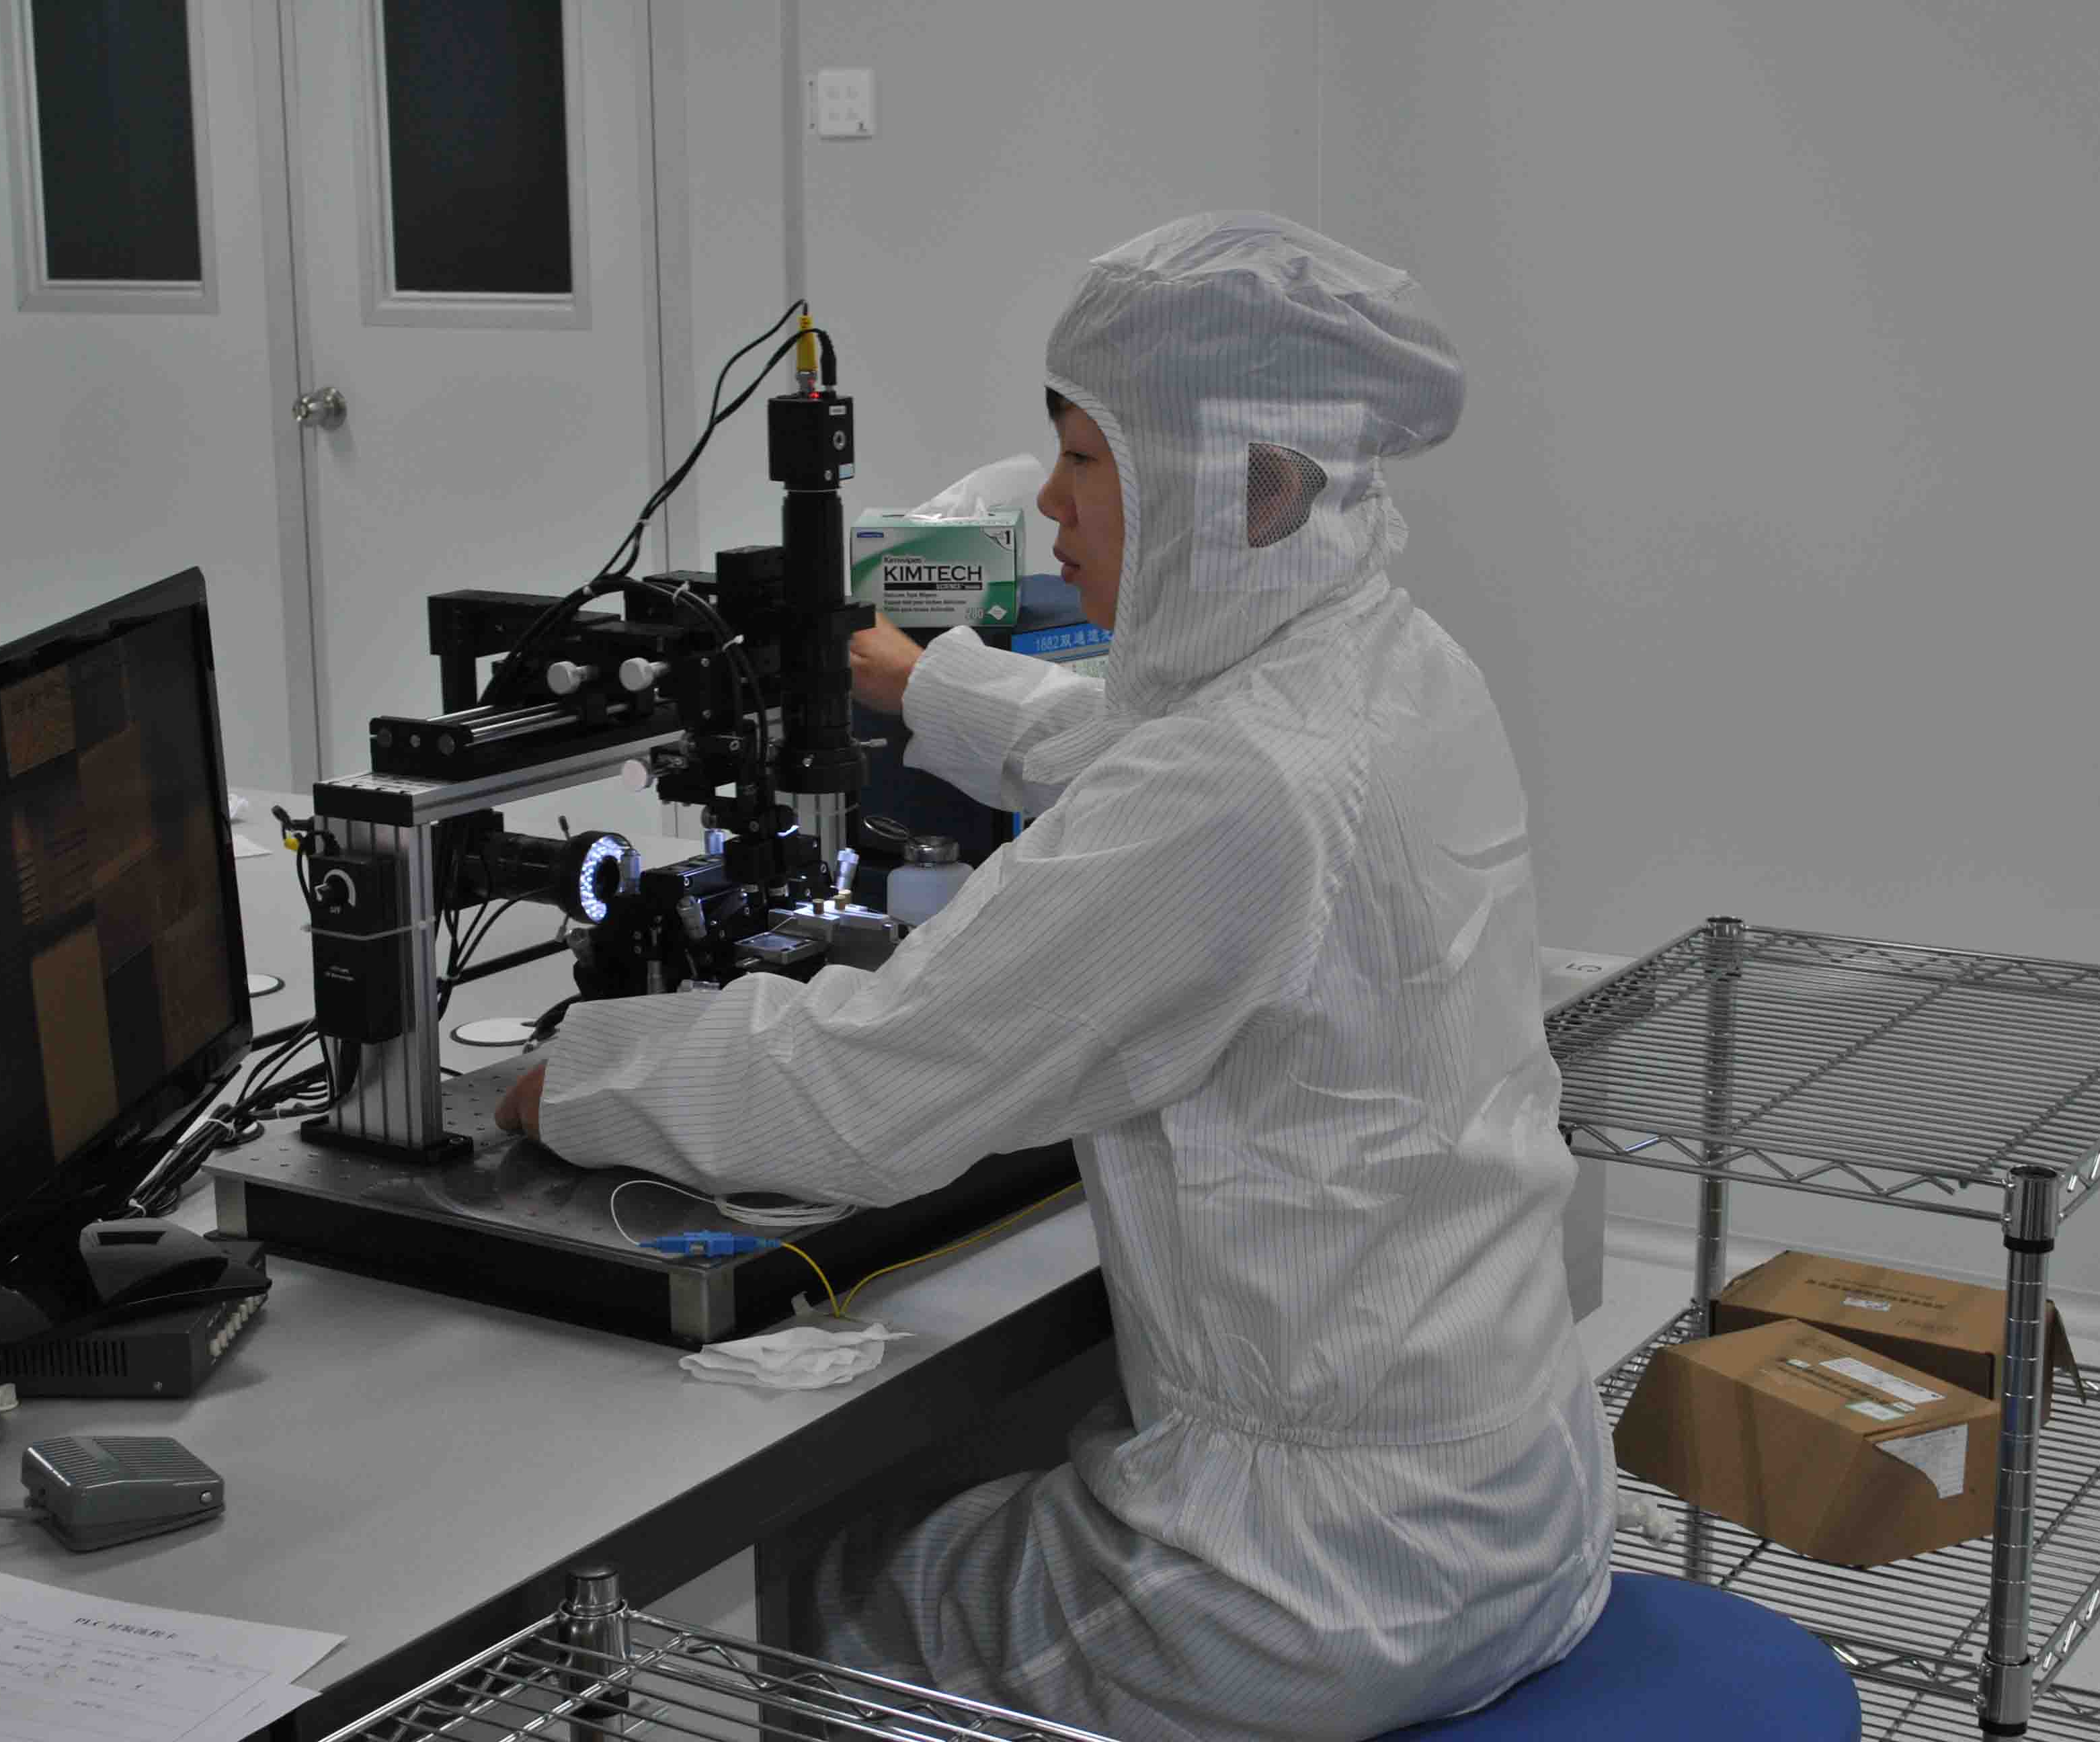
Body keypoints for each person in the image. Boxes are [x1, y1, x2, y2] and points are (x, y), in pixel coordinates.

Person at [496, 212, 1613, 1740]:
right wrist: (924, 680)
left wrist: (578, 1075)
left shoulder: (1235, 790)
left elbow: (861, 1096)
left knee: (769, 1603)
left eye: (1089, 459)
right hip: (1514, 1507)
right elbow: (1165, 762)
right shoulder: (1393, 665)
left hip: (1302, 1589)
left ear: (1247, 490)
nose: (1048, 501)